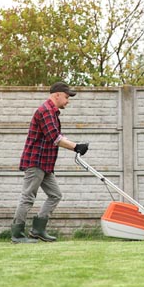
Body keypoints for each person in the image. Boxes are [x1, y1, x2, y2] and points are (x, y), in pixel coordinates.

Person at [11, 82, 89, 243]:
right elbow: (55, 138)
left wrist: (74, 144)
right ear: (57, 95)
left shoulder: (52, 113)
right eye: (67, 97)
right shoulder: (45, 111)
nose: (68, 101)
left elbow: (57, 135)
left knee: (55, 195)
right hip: (36, 162)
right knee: (28, 197)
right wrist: (76, 147)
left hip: (45, 164)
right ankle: (17, 235)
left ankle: (38, 230)